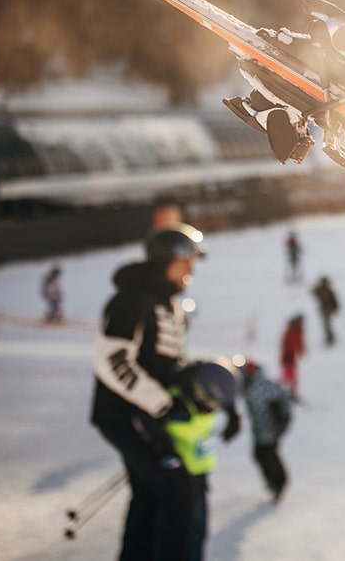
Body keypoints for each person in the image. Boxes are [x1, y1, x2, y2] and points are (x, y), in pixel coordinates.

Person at [91, 223, 207, 561]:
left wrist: (193, 387)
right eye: (186, 259)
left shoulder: (169, 304)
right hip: (125, 416)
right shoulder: (132, 299)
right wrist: (162, 405)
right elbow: (112, 360)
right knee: (175, 492)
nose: (192, 268)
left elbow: (166, 363)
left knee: (149, 495)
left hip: (147, 416)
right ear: (163, 259)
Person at [163, 360, 240, 561]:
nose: (212, 408)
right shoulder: (178, 404)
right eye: (210, 402)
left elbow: (223, 385)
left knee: (198, 532)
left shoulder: (206, 393)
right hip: (180, 477)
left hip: (200, 473)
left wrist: (232, 411)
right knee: (186, 534)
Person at [240, 358, 296, 502]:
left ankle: (279, 482)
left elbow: (280, 399)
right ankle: (274, 483)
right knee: (260, 455)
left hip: (270, 429)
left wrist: (282, 420)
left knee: (267, 455)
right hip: (261, 429)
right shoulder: (253, 384)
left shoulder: (258, 386)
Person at [278, 314, 306, 397]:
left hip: (291, 356)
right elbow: (285, 344)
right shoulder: (291, 332)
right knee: (287, 375)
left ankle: (290, 391)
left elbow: (299, 343)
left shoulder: (296, 332)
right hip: (288, 356)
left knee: (290, 374)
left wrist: (300, 351)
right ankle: (284, 390)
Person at [311, 276, 340, 347]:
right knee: (326, 324)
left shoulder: (329, 291)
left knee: (327, 324)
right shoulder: (321, 290)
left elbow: (335, 301)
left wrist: (335, 308)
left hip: (327, 310)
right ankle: (330, 337)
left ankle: (330, 338)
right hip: (323, 309)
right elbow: (313, 291)